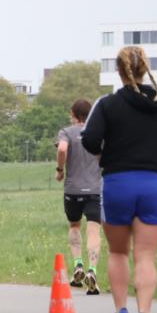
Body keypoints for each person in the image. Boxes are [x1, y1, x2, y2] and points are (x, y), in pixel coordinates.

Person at [81, 45, 157, 313]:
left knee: (117, 252)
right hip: (155, 184)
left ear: (119, 70)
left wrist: (107, 152)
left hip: (118, 183)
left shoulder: (107, 104)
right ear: (145, 69)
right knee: (146, 255)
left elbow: (89, 139)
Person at [57, 99, 103, 295]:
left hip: (72, 190)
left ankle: (78, 265)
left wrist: (60, 170)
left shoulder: (66, 132)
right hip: (94, 189)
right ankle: (92, 270)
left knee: (74, 225)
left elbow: (62, 149)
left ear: (73, 114)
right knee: (94, 230)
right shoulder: (98, 132)